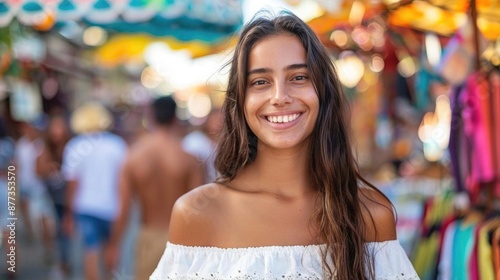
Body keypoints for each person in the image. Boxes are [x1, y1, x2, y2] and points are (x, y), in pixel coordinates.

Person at [150, 11, 418, 279]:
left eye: (299, 77)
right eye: (260, 82)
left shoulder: (370, 215)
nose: (280, 97)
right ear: (240, 102)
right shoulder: (197, 214)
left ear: (323, 92)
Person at [106, 96, 204, 280]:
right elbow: (199, 210)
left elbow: (123, 209)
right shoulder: (189, 159)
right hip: (182, 241)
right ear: (175, 118)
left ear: (150, 117)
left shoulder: (134, 157)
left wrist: (113, 245)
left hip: (148, 238)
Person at [61, 102, 127, 280]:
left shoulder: (74, 146)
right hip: (112, 208)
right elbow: (124, 183)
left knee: (91, 250)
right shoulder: (117, 145)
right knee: (111, 249)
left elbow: (73, 185)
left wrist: (69, 214)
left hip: (86, 207)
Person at [36, 114, 72, 276]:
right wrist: (51, 168)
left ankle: (64, 259)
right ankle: (59, 257)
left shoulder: (71, 147)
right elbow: (38, 170)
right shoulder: (45, 148)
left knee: (64, 230)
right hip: (51, 196)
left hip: (67, 196)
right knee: (55, 229)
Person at [182, 108, 223, 183]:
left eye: (221, 119)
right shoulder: (194, 140)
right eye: (215, 119)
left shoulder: (227, 144)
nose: (218, 123)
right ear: (208, 120)